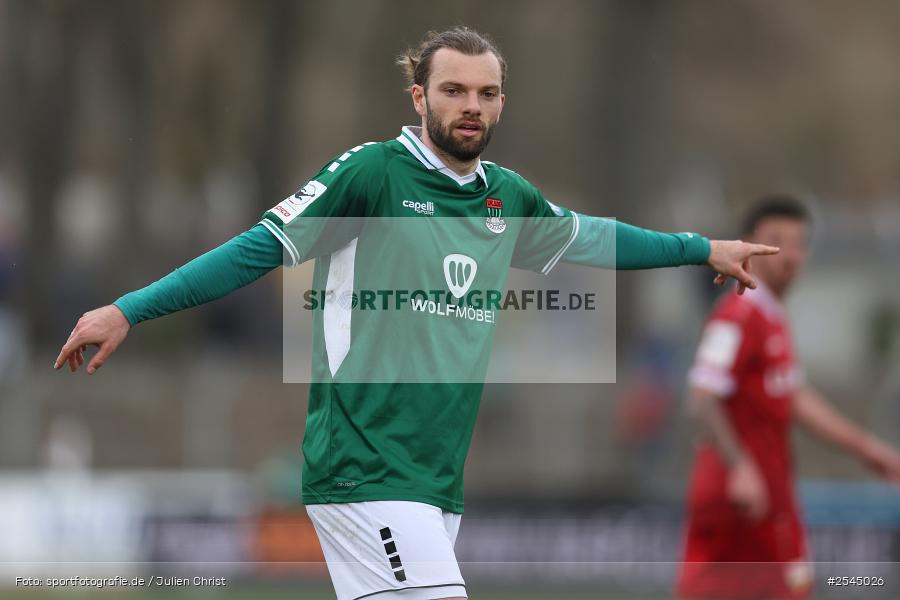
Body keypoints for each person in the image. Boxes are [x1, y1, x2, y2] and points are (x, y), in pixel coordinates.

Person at [56, 27, 777, 600]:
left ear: (501, 103)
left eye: (487, 92)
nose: (472, 104)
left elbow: (592, 237)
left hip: (435, 476)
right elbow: (256, 250)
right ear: (418, 96)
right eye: (454, 89)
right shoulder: (372, 174)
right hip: (364, 465)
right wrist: (130, 309)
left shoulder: (507, 196)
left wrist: (699, 247)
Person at [677, 196, 900, 600]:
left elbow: (795, 397)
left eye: (799, 243)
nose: (790, 255)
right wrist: (740, 465)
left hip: (769, 497)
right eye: (776, 241)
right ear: (747, 245)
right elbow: (701, 398)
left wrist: (867, 449)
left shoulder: (771, 316)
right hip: (739, 501)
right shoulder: (737, 315)